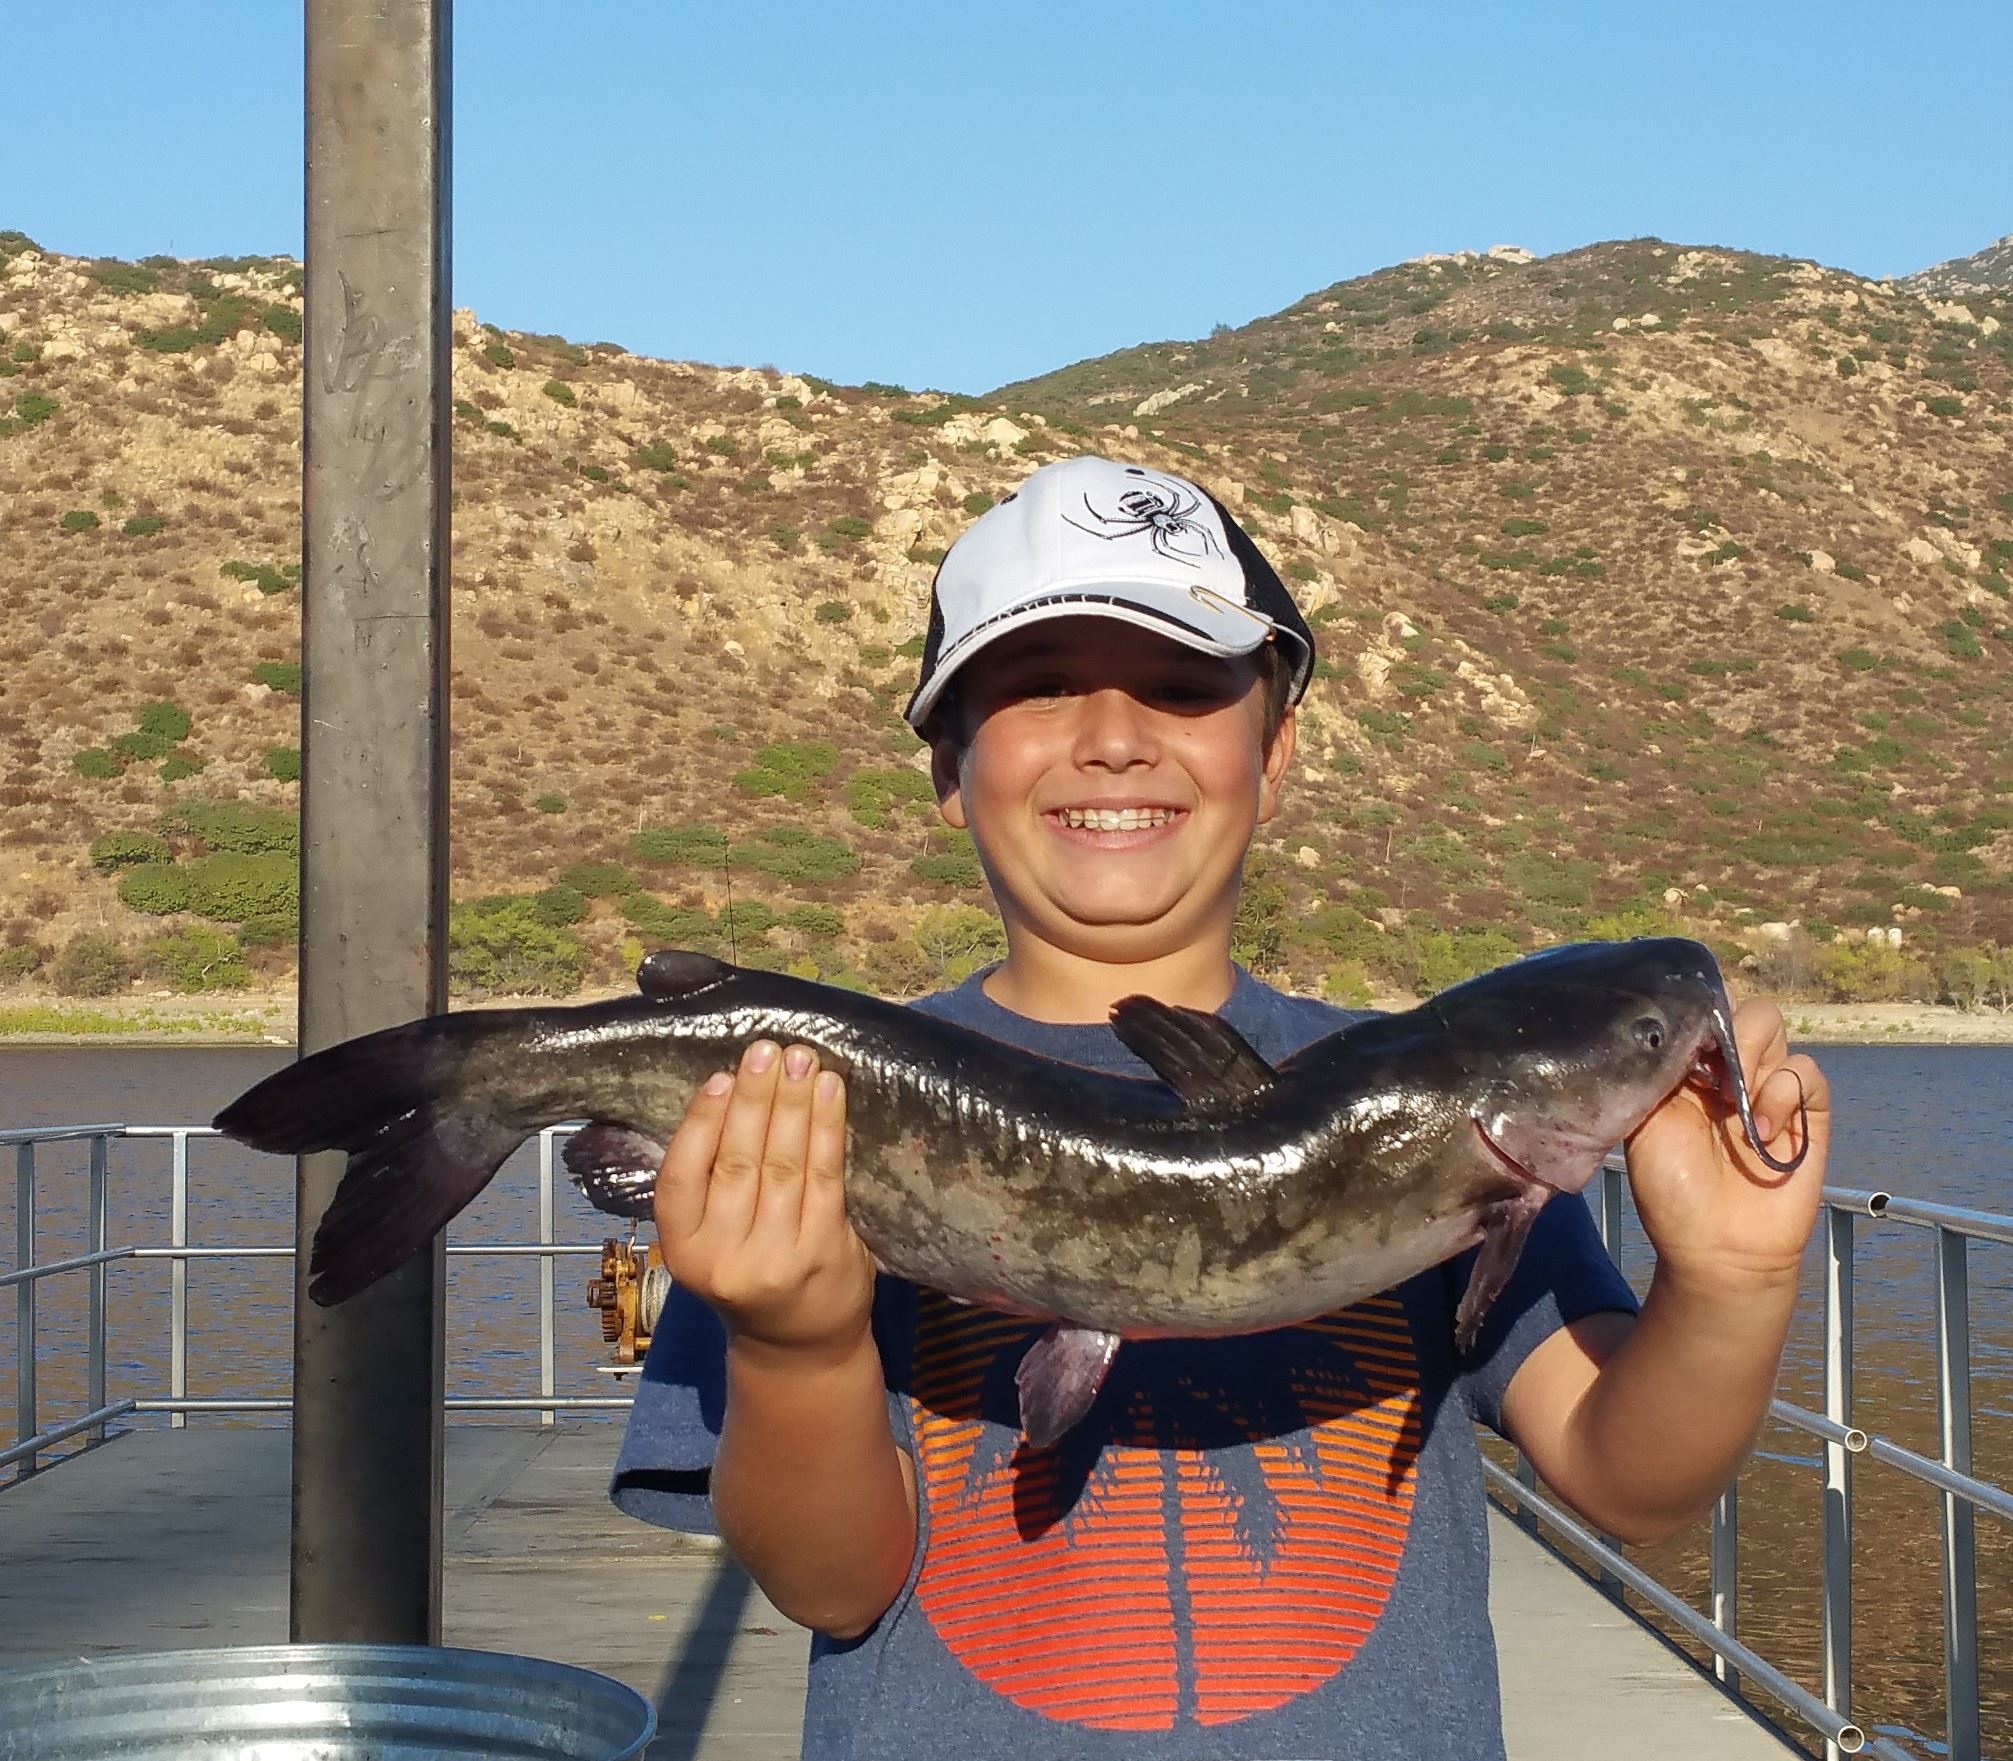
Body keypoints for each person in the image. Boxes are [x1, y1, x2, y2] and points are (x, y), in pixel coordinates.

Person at [609, 453, 1831, 1758]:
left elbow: (1623, 1472)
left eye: (1185, 687)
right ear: (947, 767)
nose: (1116, 734)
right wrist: (794, 1341)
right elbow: (831, 1581)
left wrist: (1730, 1281)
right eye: (1037, 687)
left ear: (1275, 746)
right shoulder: (811, 1115)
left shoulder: (1428, 1113)